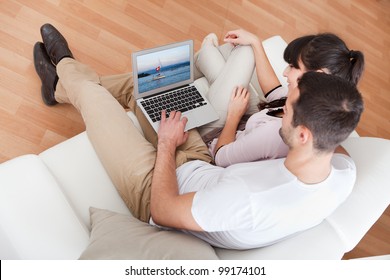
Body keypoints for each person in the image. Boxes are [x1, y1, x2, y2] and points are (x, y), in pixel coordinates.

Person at [33, 24, 364, 249]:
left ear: (304, 135)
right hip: (200, 164)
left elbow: (163, 210)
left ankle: (64, 68)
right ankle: (62, 85)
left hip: (156, 188)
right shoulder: (342, 172)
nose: (281, 106)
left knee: (93, 99)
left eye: (288, 110)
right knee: (148, 88)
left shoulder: (246, 197)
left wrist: (166, 145)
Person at [195, 30, 365, 167]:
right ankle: (206, 55)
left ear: (316, 75)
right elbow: (274, 91)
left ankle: (204, 54)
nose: (285, 72)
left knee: (213, 56)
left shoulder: (277, 134)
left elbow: (221, 157)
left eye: (292, 66)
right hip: (247, 122)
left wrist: (234, 115)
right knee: (245, 50)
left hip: (218, 138)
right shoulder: (312, 102)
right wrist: (256, 42)